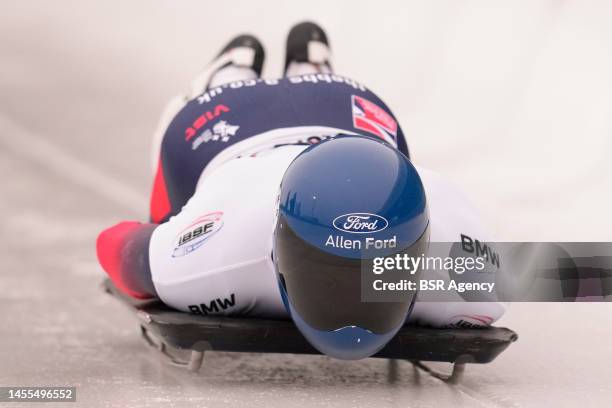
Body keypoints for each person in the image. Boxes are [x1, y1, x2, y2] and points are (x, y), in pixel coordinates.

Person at [97, 22, 506, 360]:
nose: (352, 306)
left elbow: (113, 244)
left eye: (383, 271)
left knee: (163, 226)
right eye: (329, 274)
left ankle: (246, 71)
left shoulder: (207, 266)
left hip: (340, 107)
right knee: (164, 213)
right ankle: (236, 77)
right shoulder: (213, 254)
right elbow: (564, 271)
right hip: (233, 123)